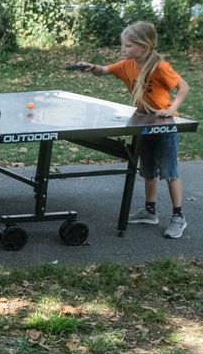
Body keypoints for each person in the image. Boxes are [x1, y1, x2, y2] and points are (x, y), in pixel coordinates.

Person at [78, 21, 191, 239]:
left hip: (164, 127)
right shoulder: (127, 65)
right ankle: (150, 212)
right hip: (143, 124)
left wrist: (171, 109)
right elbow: (104, 71)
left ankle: (178, 217)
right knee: (148, 171)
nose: (124, 49)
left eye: (128, 46)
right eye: (124, 45)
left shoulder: (160, 67)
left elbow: (184, 87)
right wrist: (92, 67)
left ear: (144, 46)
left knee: (170, 172)